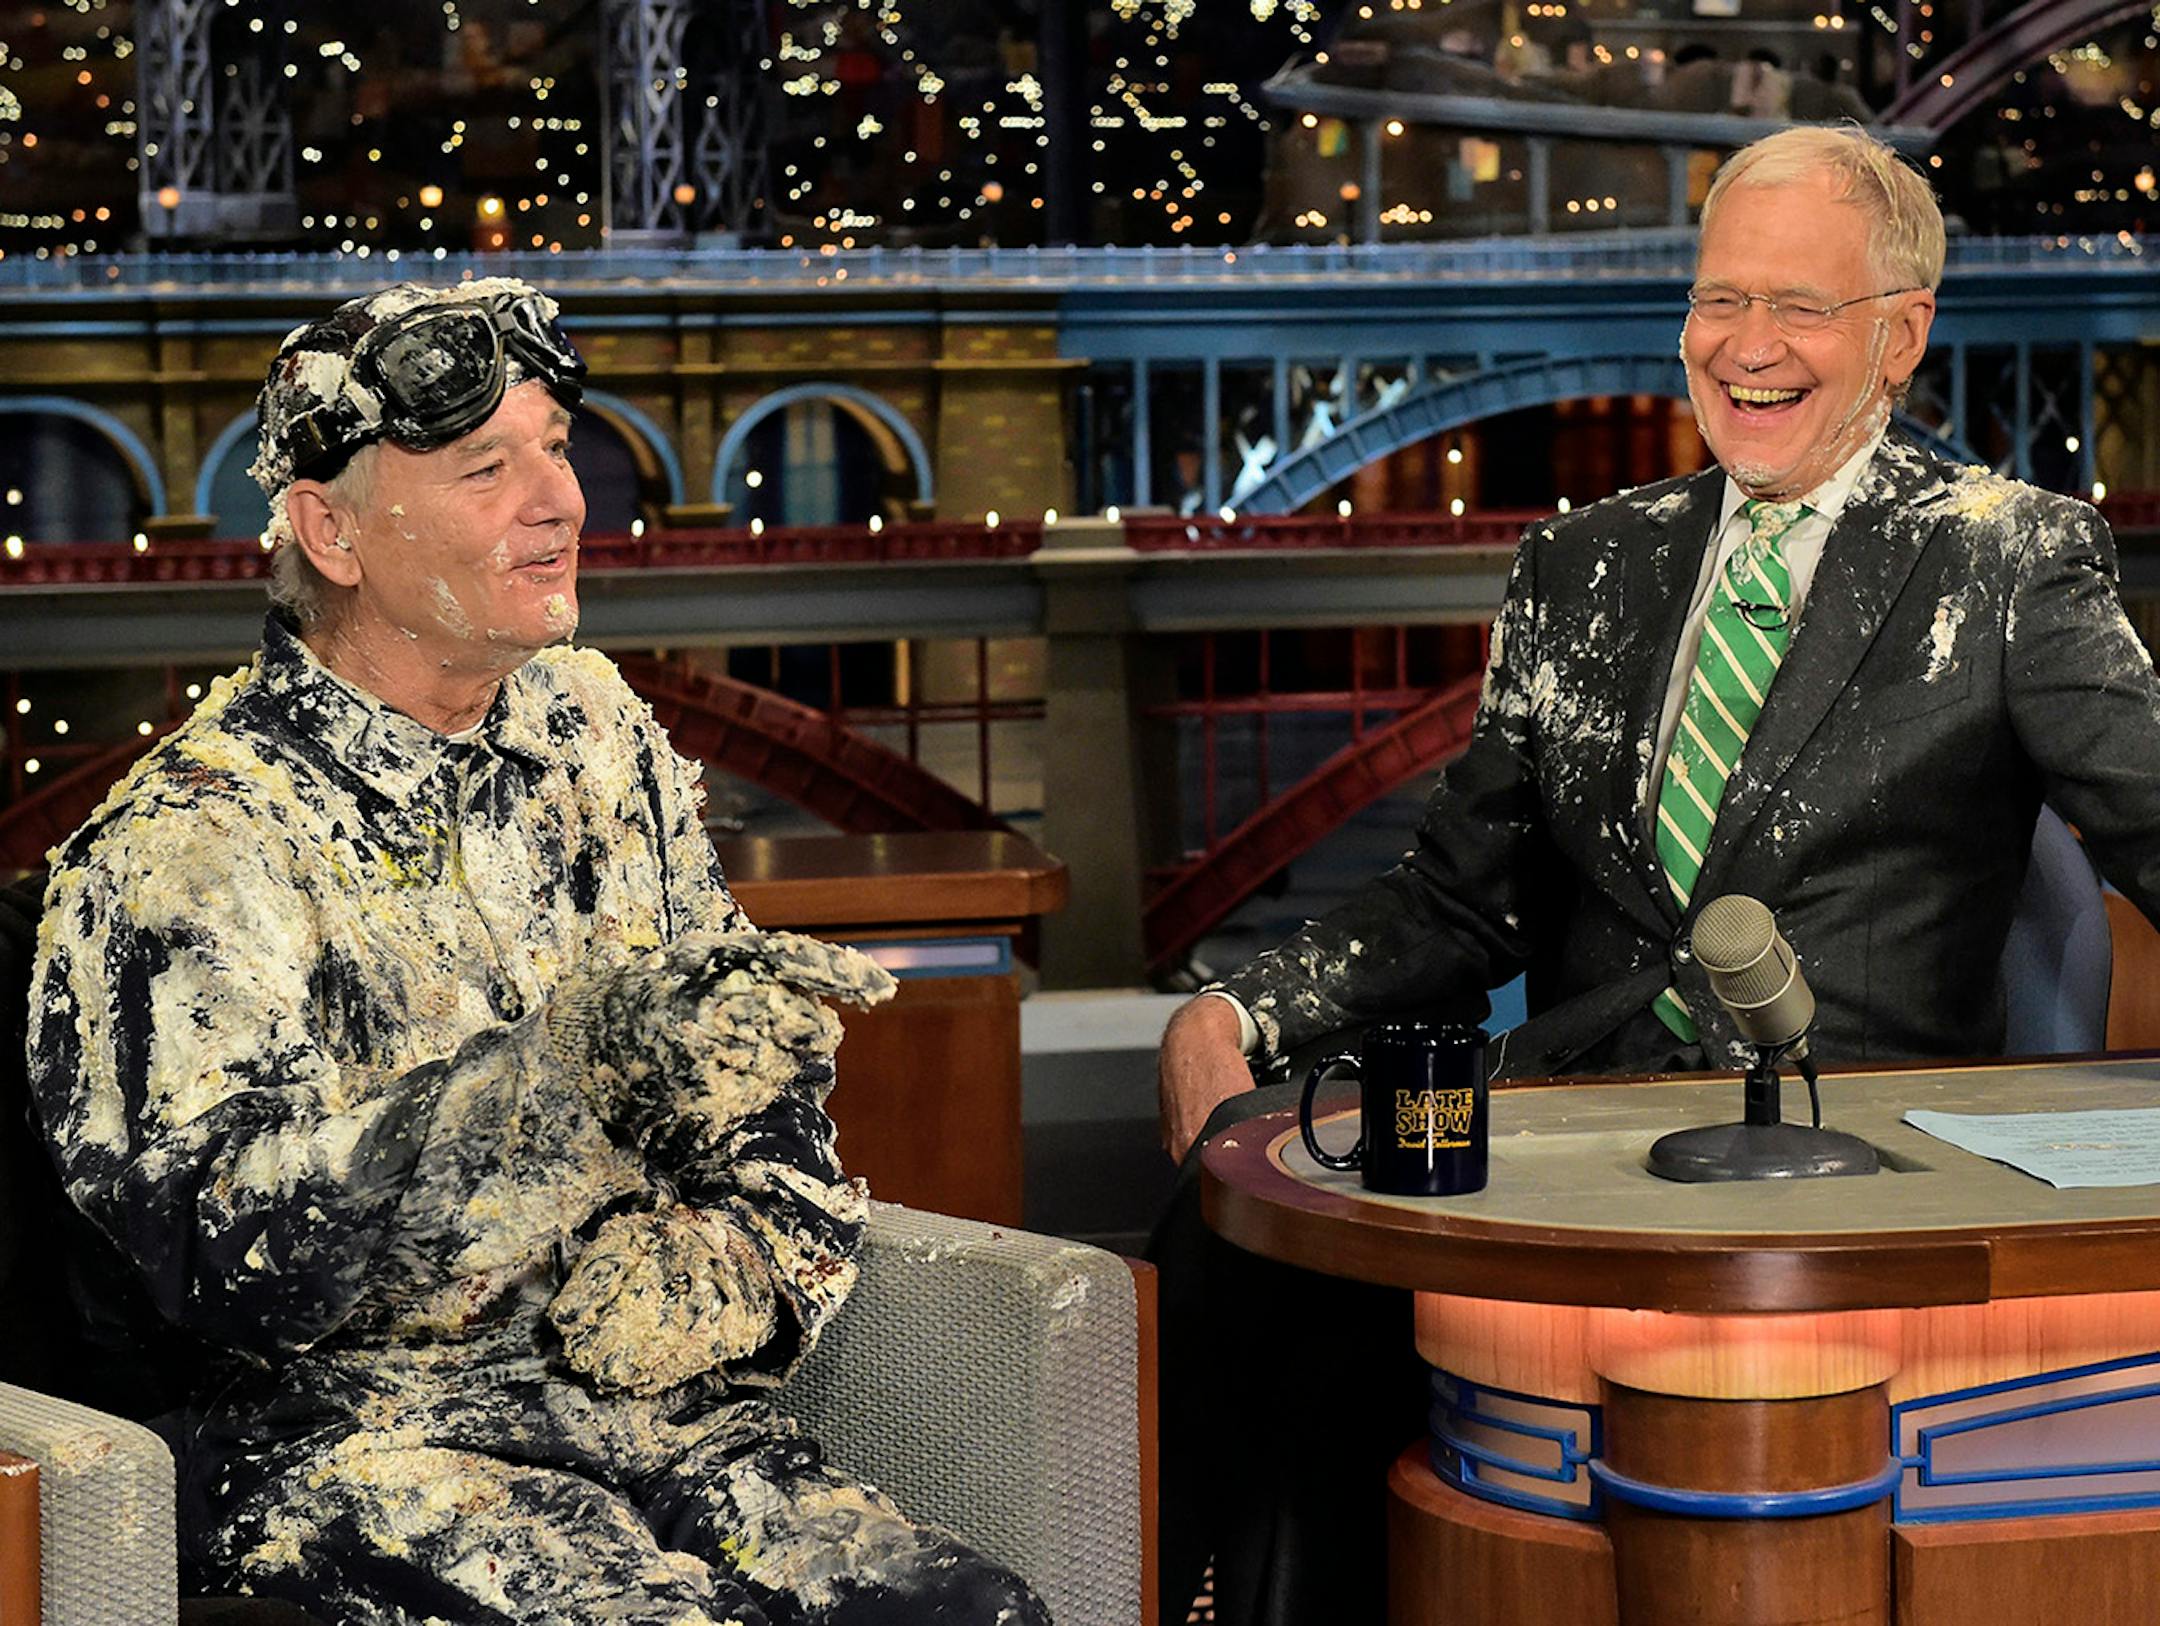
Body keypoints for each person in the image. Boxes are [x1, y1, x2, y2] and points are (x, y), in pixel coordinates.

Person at [1151, 123, 2160, 1623]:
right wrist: (1236, 1016)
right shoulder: (1581, 565)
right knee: (1247, 1271)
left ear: (1901, 337)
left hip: (1845, 1173)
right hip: (1561, 1132)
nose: (1746, 348)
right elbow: (1454, 896)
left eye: (1799, 308)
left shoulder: (2008, 562)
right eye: (1719, 299)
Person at [28, 279, 1050, 1626]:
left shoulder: (594, 733)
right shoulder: (187, 846)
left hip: (661, 1418)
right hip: (350, 1453)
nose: (560, 500)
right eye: (485, 467)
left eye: (558, 447)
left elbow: (753, 1082)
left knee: (976, 1614)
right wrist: (555, 1084)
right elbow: (223, 1257)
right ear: (332, 529)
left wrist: (736, 1266)